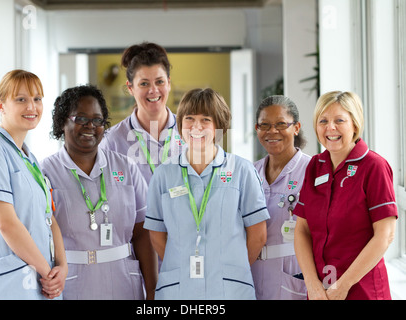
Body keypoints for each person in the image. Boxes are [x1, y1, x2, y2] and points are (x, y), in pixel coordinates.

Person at [144, 88, 269, 300]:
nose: (196, 127)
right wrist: (182, 263)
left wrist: (230, 269)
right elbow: (156, 233)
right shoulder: (164, 174)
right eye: (189, 119)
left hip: (230, 291)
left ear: (219, 125)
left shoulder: (241, 170)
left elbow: (258, 235)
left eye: (205, 119)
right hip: (178, 290)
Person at [40, 84, 157, 299]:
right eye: (81, 119)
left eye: (97, 120)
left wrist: (152, 290)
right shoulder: (45, 172)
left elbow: (143, 232)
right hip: (74, 285)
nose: (90, 126)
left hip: (124, 283)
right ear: (62, 122)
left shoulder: (126, 167)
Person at [0, 69, 67, 300]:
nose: (31, 107)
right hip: (12, 285)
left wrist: (62, 266)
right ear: (1, 105)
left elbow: (48, 217)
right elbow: (7, 224)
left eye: (37, 99)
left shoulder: (29, 158)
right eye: (21, 99)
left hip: (41, 282)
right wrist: (47, 273)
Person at [294, 91, 397, 300]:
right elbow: (302, 230)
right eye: (323, 121)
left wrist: (343, 286)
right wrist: (312, 285)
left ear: (355, 125)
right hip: (321, 292)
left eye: (339, 120)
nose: (330, 128)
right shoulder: (315, 166)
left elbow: (385, 235)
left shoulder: (374, 167)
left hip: (363, 291)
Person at [251, 95, 310, 299]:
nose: (272, 131)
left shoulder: (312, 171)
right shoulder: (250, 172)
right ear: (257, 129)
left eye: (281, 124)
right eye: (264, 125)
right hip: (252, 275)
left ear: (296, 127)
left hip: (291, 276)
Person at [99, 42, 184, 185]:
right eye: (144, 83)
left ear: (169, 84)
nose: (153, 90)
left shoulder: (189, 132)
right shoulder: (112, 141)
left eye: (160, 82)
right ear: (130, 88)